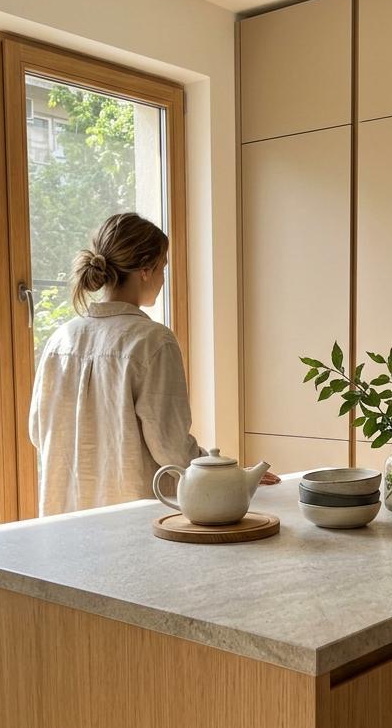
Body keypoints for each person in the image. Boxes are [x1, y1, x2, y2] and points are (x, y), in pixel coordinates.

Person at [29, 212, 278, 517]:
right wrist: (231, 475)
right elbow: (172, 449)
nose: (163, 279)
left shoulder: (61, 339)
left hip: (62, 522)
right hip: (131, 523)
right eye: (163, 268)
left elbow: (38, 432)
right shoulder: (153, 341)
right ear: (145, 270)